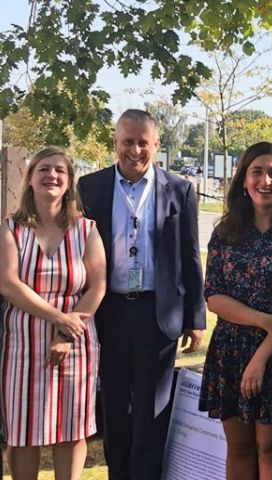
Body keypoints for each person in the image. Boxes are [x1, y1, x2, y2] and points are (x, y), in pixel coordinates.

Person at [77, 109, 206, 479]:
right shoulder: (90, 187)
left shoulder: (179, 189)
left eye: (143, 142)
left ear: (157, 145)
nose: (135, 150)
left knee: (153, 408)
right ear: (115, 143)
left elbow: (190, 255)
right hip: (108, 311)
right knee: (114, 406)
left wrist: (195, 319)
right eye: (127, 142)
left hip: (158, 313)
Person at [199, 141, 272, 480]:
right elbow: (214, 297)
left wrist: (261, 358)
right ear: (243, 179)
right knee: (238, 450)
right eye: (257, 172)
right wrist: (265, 320)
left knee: (271, 450)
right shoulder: (225, 232)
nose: (265, 181)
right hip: (230, 352)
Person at [0, 146, 107, 479]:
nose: (52, 176)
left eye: (60, 170)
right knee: (23, 430)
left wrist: (65, 334)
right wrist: (58, 318)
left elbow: (98, 286)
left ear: (70, 181)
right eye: (44, 169)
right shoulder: (10, 229)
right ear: (30, 178)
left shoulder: (86, 229)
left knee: (72, 428)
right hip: (23, 341)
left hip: (76, 342)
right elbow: (8, 284)